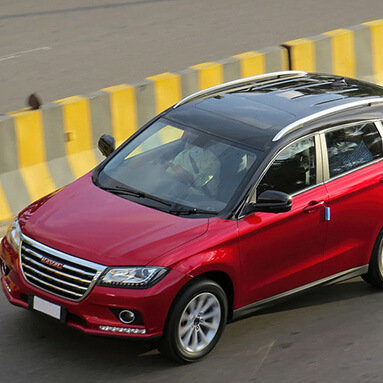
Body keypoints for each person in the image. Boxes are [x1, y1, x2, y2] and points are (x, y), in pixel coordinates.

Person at [167, 131, 221, 196]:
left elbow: (200, 182)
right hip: (179, 192)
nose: (190, 145)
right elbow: (169, 174)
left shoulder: (213, 161)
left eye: (194, 141)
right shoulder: (182, 155)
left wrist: (182, 172)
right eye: (190, 141)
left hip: (202, 197)